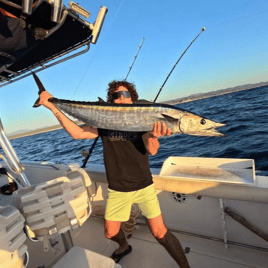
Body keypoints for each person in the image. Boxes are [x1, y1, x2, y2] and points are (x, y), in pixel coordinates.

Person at [39, 80, 190, 267]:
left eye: (125, 95)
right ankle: (124, 246)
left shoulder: (144, 120)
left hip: (144, 185)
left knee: (160, 232)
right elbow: (77, 133)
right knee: (110, 233)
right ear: (111, 102)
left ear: (132, 99)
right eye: (116, 96)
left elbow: (153, 150)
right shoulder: (104, 123)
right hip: (118, 189)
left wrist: (152, 135)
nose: (121, 98)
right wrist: (52, 107)